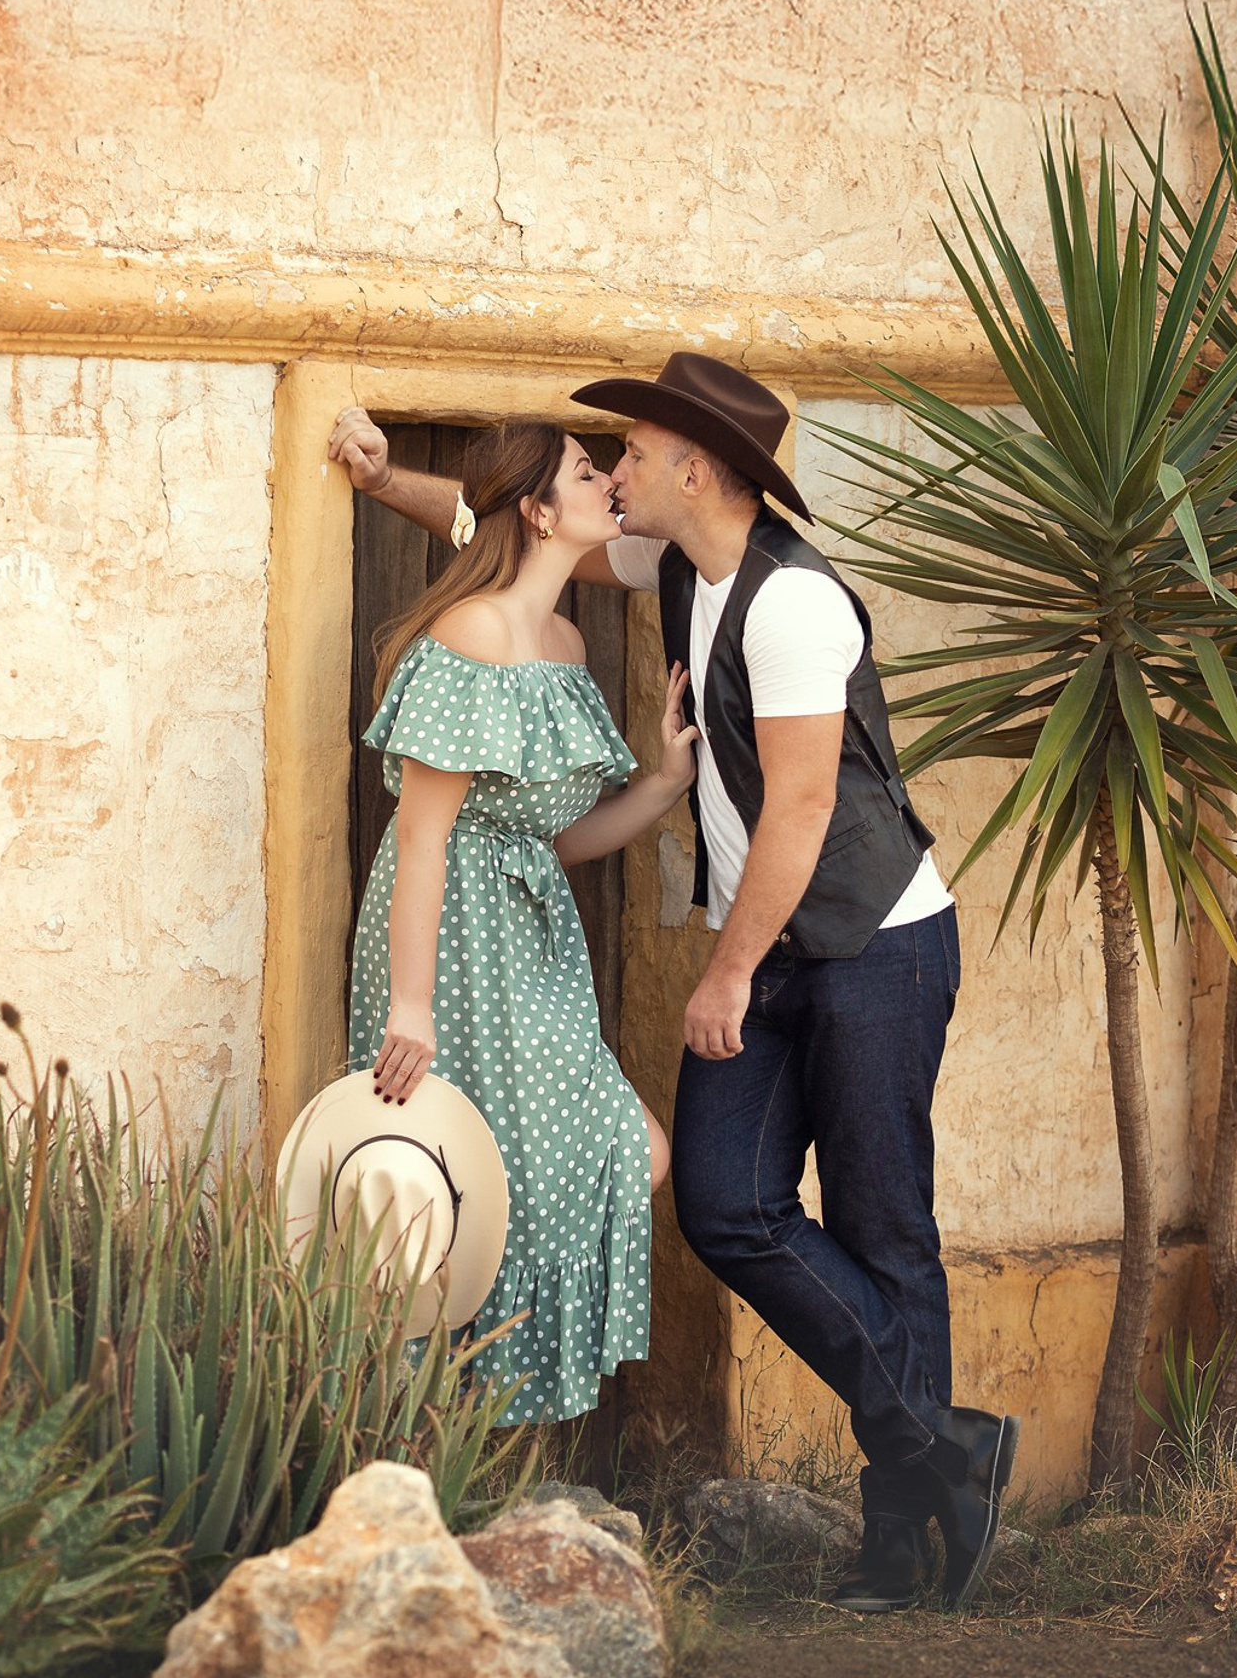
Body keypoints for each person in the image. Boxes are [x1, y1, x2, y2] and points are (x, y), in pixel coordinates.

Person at [330, 354, 1018, 1611]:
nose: (618, 470)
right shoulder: (678, 570)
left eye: (633, 451)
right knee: (721, 1202)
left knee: (882, 1228)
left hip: (872, 948)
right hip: (769, 952)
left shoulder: (794, 606)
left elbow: (805, 810)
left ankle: (901, 1529)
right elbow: (502, 523)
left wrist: (725, 974)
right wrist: (386, 484)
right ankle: (945, 1446)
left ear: (696, 468)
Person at [349, 420, 699, 1425]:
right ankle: (431, 1440)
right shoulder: (473, 633)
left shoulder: (565, 641)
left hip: (535, 943)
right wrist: (408, 1009)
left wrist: (669, 783)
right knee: (464, 1187)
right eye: (589, 473)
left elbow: (562, 838)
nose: (608, 482)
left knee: (621, 1151)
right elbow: (422, 840)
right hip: (450, 947)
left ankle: (492, 1429)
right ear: (540, 511)